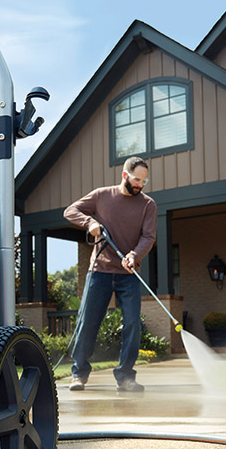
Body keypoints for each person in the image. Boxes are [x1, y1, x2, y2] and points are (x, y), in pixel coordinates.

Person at [63, 156, 157, 392]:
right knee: (88, 323)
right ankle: (79, 373)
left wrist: (134, 255)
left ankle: (126, 376)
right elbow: (70, 211)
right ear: (125, 175)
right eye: (137, 179)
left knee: (133, 323)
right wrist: (89, 222)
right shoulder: (101, 195)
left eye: (144, 181)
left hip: (128, 273)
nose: (140, 185)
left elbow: (149, 237)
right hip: (100, 271)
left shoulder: (148, 205)